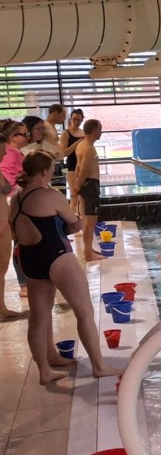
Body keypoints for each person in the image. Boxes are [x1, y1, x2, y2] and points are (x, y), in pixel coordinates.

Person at [9, 150, 119, 384]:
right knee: (84, 311)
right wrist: (76, 221)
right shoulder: (50, 195)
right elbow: (74, 224)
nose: (53, 171)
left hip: (29, 258)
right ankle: (99, 367)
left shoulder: (16, 198)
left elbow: (14, 231)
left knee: (38, 317)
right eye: (51, 168)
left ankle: (45, 371)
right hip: (56, 255)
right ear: (43, 171)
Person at [0, 131, 28, 321]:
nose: (4, 154)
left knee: (1, 270)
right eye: (2, 150)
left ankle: (2, 308)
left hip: (4, 225)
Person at [73, 119, 103, 261]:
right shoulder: (88, 149)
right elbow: (84, 170)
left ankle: (89, 249)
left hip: (87, 185)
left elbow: (78, 168)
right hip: (90, 185)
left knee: (87, 220)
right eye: (100, 130)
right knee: (90, 221)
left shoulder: (81, 145)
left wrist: (77, 185)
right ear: (95, 131)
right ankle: (88, 254)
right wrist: (77, 187)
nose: (101, 132)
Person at [59, 108, 85, 213]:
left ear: (82, 120)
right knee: (74, 194)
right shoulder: (66, 133)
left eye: (78, 120)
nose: (76, 122)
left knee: (83, 196)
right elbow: (64, 153)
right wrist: (78, 142)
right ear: (71, 119)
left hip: (83, 165)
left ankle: (82, 218)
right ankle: (72, 219)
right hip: (72, 166)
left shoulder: (83, 132)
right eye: (74, 119)